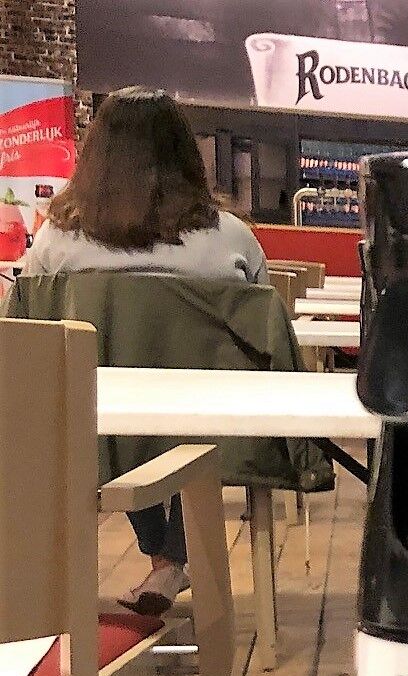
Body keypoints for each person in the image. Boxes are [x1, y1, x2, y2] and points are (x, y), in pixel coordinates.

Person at [21, 86, 270, 616]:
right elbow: (266, 331)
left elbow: (25, 335)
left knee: (110, 417)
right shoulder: (231, 240)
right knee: (188, 426)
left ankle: (163, 555)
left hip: (95, 429)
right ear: (186, 155)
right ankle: (173, 560)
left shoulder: (55, 243)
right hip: (214, 428)